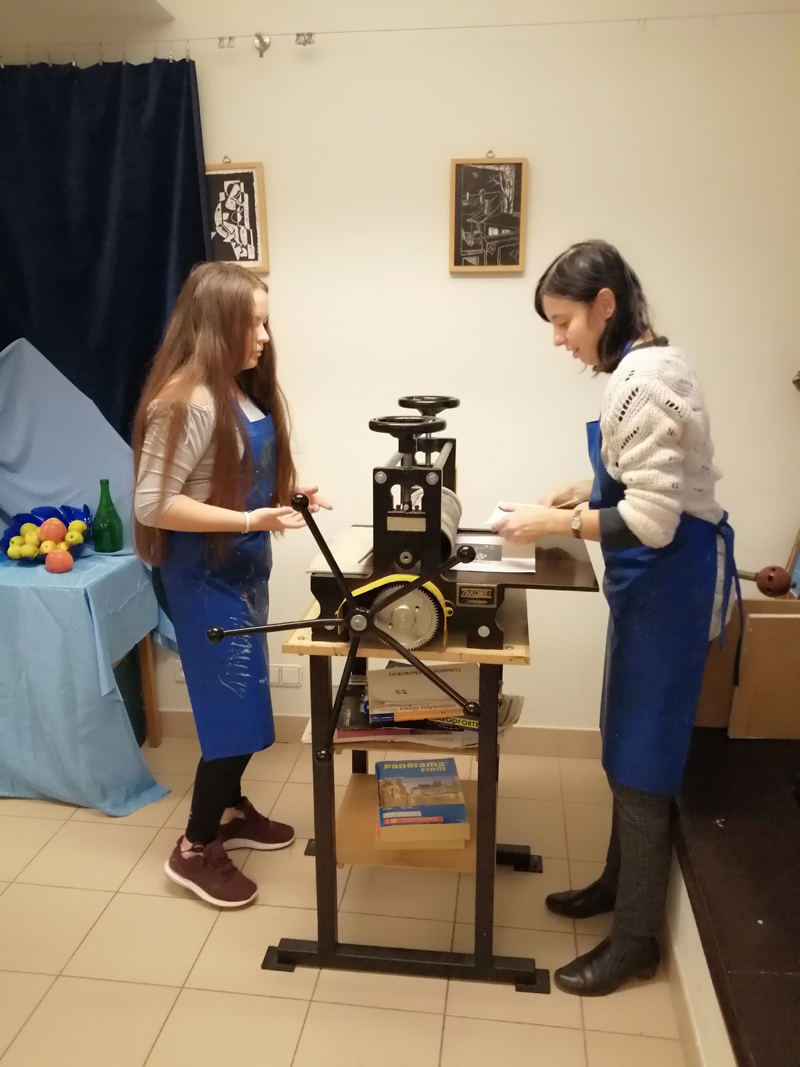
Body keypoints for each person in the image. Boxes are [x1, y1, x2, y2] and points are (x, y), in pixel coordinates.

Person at [493, 240, 737, 995]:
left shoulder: (646, 380)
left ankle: (634, 943)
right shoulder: (647, 364)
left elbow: (655, 520)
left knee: (644, 767)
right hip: (650, 592)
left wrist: (555, 524)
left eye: (563, 321)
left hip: (670, 589)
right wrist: (582, 489)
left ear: (605, 304)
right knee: (624, 747)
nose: (558, 339)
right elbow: (647, 478)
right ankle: (613, 884)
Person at [132, 261, 331, 908]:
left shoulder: (236, 390)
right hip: (203, 579)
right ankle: (193, 848)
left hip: (241, 572)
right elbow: (153, 503)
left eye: (266, 323)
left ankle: (231, 809)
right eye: (253, 324)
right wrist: (250, 518)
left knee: (245, 703)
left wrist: (285, 495)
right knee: (229, 712)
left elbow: (227, 477)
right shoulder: (182, 402)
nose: (265, 338)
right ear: (215, 325)